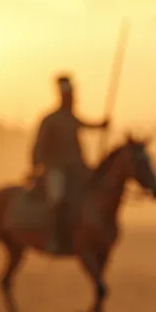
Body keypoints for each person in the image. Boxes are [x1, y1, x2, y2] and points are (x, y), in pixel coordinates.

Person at [31, 74, 109, 253]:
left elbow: (87, 125)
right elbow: (39, 145)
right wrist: (38, 166)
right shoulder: (51, 119)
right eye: (70, 95)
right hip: (56, 169)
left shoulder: (71, 118)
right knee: (58, 198)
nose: (73, 99)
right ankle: (53, 236)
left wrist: (101, 125)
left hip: (78, 168)